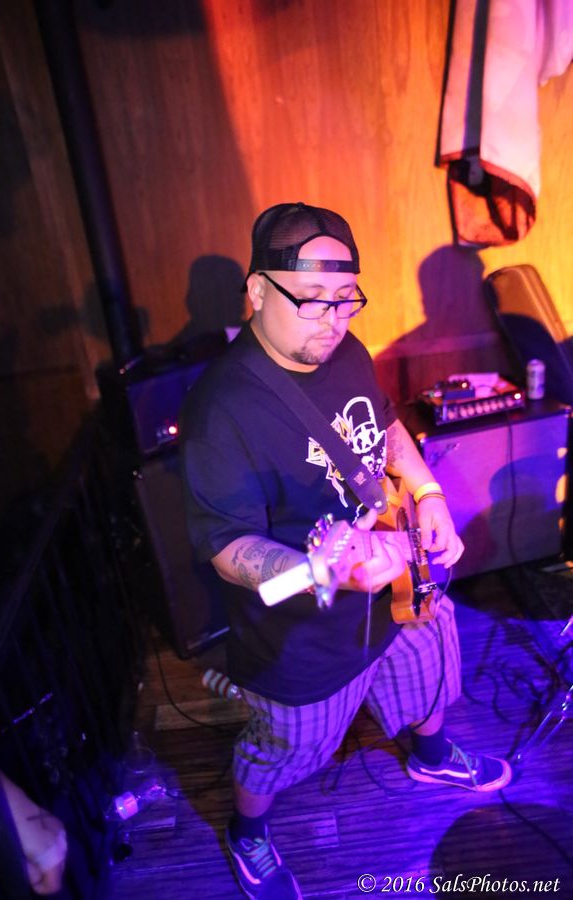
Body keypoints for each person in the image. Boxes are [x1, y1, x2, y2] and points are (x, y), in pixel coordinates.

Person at [181, 202, 512, 900]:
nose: (333, 319)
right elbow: (226, 547)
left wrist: (427, 492)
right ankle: (247, 832)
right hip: (301, 635)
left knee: (430, 666)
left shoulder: (345, 350)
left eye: (347, 298)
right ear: (258, 292)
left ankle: (429, 754)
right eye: (313, 299)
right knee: (287, 748)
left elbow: (383, 428)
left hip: (394, 586)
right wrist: (316, 570)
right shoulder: (222, 410)